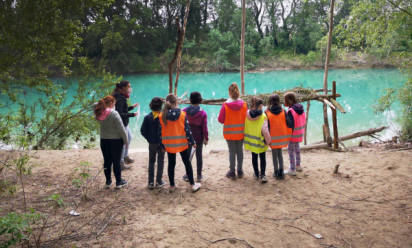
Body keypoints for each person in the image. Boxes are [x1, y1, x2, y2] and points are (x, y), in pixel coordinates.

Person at [159, 94, 201, 193]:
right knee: (187, 163)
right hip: (181, 144)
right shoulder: (182, 114)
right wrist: (193, 142)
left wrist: (162, 145)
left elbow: (160, 132)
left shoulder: (162, 115)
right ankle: (192, 184)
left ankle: (172, 186)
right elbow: (187, 130)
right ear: (176, 102)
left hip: (169, 145)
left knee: (171, 164)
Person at [94, 95, 128, 189]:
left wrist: (101, 104)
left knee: (107, 161)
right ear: (111, 103)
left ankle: (108, 182)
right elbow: (121, 129)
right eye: (114, 103)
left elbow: (95, 105)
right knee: (116, 162)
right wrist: (126, 140)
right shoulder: (114, 113)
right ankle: (118, 182)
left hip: (104, 140)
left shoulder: (99, 113)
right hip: (116, 141)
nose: (115, 105)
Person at [218, 83, 247, 179]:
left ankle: (232, 172)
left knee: (232, 152)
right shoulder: (244, 104)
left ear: (229, 93)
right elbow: (246, 119)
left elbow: (220, 120)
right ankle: (240, 171)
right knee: (240, 151)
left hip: (229, 133)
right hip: (240, 133)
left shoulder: (225, 105)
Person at [112, 80, 139, 170]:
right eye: (128, 86)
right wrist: (133, 114)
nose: (130, 89)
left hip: (123, 123)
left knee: (129, 138)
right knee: (124, 142)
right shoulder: (120, 98)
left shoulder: (120, 96)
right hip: (121, 124)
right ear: (123, 88)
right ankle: (121, 162)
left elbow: (123, 109)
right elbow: (119, 114)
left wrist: (131, 107)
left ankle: (125, 156)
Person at [182, 92, 209, 182]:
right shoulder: (202, 113)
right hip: (198, 138)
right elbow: (204, 128)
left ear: (190, 100)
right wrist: (206, 138)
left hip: (187, 138)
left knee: (188, 156)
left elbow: (182, 124)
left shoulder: (184, 111)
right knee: (199, 156)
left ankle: (187, 174)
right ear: (200, 100)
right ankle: (199, 175)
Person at [265, 94, 293, 180]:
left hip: (273, 138)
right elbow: (289, 124)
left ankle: (276, 172)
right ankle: (281, 172)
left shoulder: (267, 113)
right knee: (280, 154)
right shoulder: (283, 111)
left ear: (270, 102)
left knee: (274, 155)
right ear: (278, 101)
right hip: (281, 138)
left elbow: (266, 127)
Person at [244, 97, 270, 183]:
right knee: (262, 158)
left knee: (254, 157)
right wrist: (268, 141)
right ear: (259, 106)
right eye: (261, 107)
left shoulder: (247, 115)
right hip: (261, 141)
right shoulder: (263, 116)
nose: (262, 108)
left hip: (252, 142)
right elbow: (265, 131)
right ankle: (263, 175)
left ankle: (256, 173)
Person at [140, 97, 166, 190]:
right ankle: (159, 181)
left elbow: (142, 131)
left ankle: (150, 182)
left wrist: (149, 139)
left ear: (151, 106)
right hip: (162, 143)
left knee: (151, 161)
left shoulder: (147, 117)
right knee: (160, 161)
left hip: (152, 143)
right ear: (161, 106)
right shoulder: (163, 116)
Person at [284, 92, 306, 176]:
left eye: (285, 100)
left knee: (290, 150)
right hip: (299, 132)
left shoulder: (290, 111)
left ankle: (292, 169)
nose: (284, 102)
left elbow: (290, 124)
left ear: (290, 100)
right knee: (297, 149)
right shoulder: (301, 108)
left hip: (292, 134)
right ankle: (298, 165)